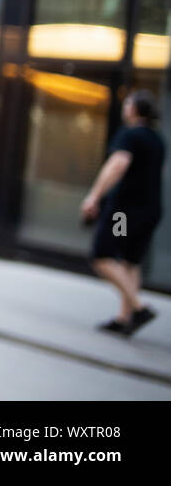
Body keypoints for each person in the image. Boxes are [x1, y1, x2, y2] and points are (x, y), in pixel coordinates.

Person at [83, 90, 164, 336]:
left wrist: (94, 196)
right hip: (150, 209)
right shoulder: (157, 139)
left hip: (125, 212)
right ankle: (124, 318)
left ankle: (139, 308)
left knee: (103, 255)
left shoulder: (130, 136)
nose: (124, 106)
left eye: (128, 103)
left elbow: (117, 165)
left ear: (134, 109)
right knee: (131, 261)